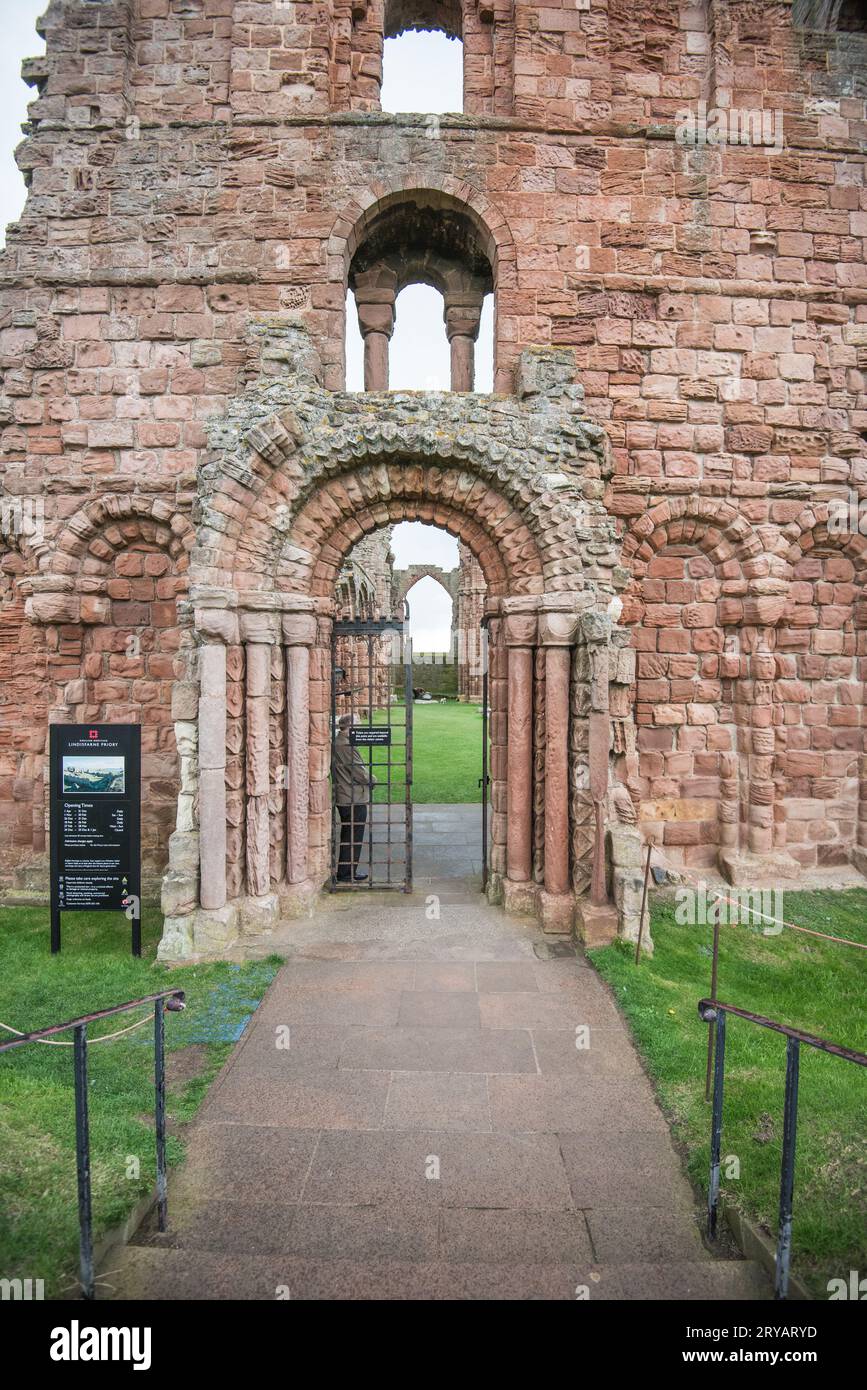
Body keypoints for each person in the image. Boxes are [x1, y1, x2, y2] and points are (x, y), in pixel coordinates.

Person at [332, 714, 377, 882]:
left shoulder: (339, 742)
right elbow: (359, 771)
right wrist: (372, 779)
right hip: (352, 797)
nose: (360, 726)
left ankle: (346, 871)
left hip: (346, 794)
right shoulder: (346, 745)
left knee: (349, 834)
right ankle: (346, 873)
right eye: (358, 724)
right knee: (353, 836)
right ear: (350, 726)